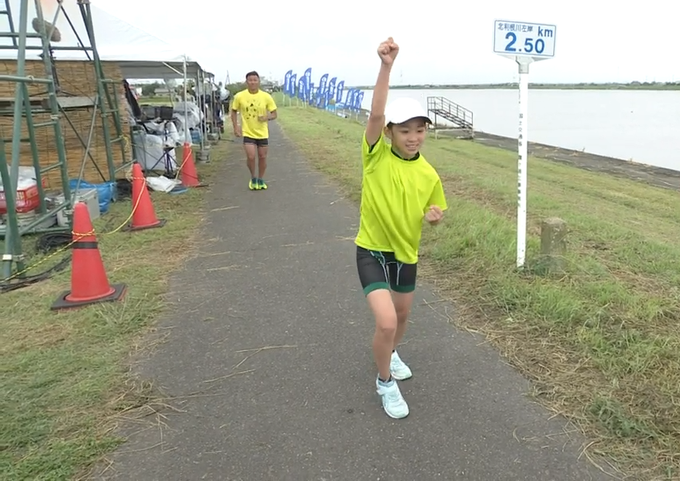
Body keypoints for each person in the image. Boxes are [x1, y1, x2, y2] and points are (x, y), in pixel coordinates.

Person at [355, 37, 448, 419]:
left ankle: (391, 354)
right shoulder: (375, 156)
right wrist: (386, 66)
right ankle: (385, 383)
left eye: (420, 130)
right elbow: (375, 115)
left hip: (405, 254)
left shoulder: (428, 173)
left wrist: (434, 217)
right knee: (387, 320)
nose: (413, 138)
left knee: (403, 317)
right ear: (390, 132)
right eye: (405, 130)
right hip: (372, 250)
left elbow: (434, 209)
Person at [231, 71, 277, 190]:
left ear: (258, 81)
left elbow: (274, 114)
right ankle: (253, 177)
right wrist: (236, 127)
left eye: (255, 80)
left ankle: (260, 179)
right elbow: (233, 111)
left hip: (262, 133)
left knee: (262, 157)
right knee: (251, 156)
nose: (252, 82)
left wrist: (266, 117)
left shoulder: (266, 96)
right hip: (248, 132)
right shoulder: (239, 96)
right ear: (246, 82)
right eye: (250, 80)